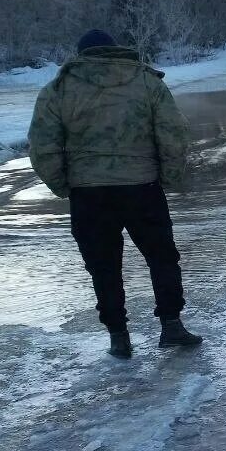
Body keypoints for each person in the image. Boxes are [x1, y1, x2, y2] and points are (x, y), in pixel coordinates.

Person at [28, 29, 202, 360]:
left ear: (81, 54)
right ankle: (171, 325)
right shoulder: (146, 81)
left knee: (103, 266)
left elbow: (42, 146)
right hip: (142, 188)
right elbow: (173, 133)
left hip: (89, 195)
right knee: (162, 257)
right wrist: (168, 176)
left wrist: (63, 184)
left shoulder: (59, 89)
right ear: (114, 50)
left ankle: (118, 337)